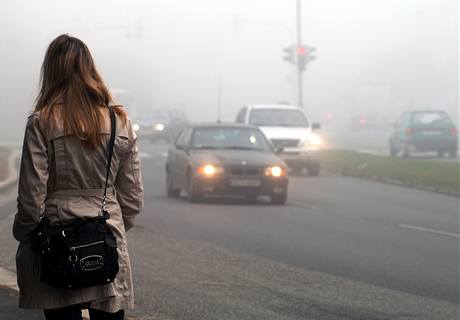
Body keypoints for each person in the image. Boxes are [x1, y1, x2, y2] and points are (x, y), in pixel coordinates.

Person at [12, 34, 144, 320]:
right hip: (106, 233)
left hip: (57, 240)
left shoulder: (42, 122)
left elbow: (32, 194)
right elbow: (132, 197)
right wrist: (111, 226)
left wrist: (23, 232)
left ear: (52, 71)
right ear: (90, 69)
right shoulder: (118, 120)